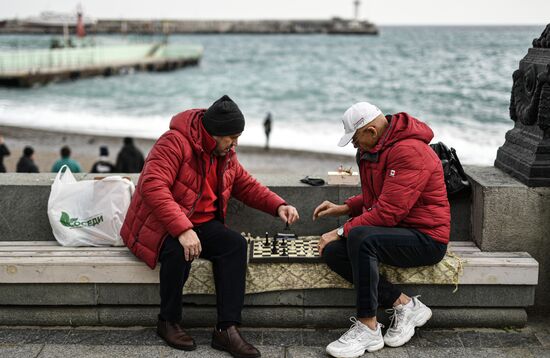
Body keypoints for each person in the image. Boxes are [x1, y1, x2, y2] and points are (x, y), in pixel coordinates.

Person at [120, 95, 299, 357]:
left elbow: (244, 184)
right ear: (212, 133)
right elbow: (152, 185)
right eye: (232, 137)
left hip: (201, 223)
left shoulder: (224, 151)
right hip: (160, 226)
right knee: (178, 250)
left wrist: (277, 205)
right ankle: (167, 321)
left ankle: (226, 329)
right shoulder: (173, 142)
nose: (235, 143)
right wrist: (182, 229)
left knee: (235, 245)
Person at [313, 102, 450, 357]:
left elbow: (388, 212)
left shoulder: (409, 151)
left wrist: (340, 230)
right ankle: (404, 304)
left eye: (355, 139)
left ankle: (368, 327)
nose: (354, 145)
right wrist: (344, 208)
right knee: (333, 252)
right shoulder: (372, 151)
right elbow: (376, 198)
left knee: (361, 237)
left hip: (427, 238)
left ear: (372, 132)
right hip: (397, 232)